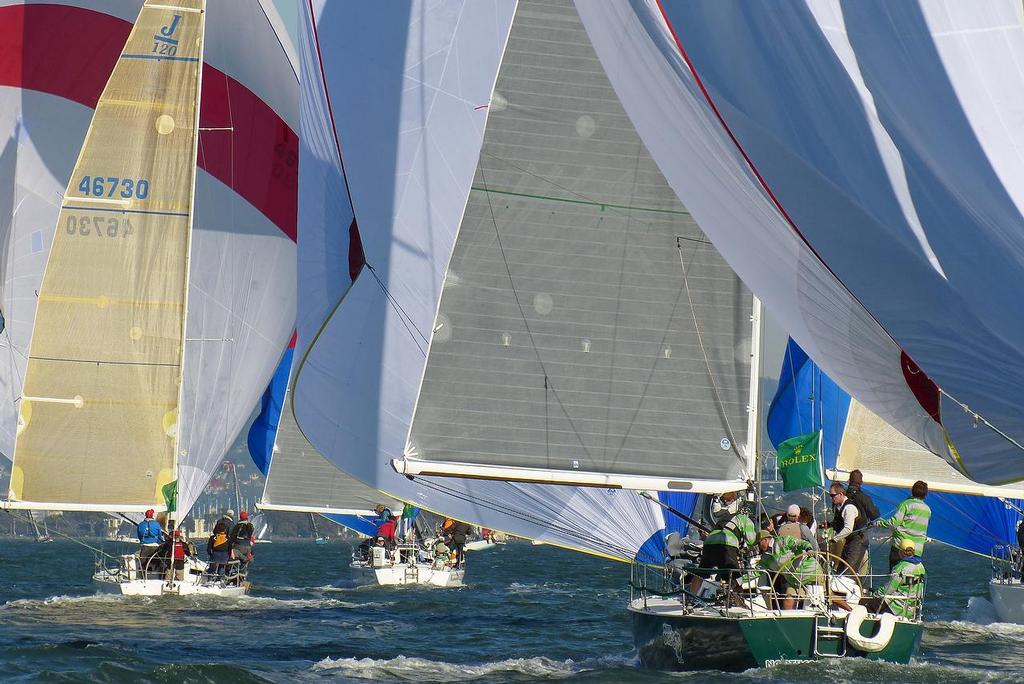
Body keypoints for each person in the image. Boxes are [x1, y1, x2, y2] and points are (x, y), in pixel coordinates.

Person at [689, 506, 756, 594]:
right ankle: (738, 603)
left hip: (709, 542)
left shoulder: (727, 517)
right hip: (726, 543)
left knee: (701, 572)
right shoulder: (746, 520)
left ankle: (690, 596)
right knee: (733, 576)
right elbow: (751, 540)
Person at [756, 530, 823, 609]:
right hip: (795, 582)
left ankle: (841, 614)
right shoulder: (765, 558)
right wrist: (739, 582)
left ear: (765, 540)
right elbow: (756, 572)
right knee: (788, 601)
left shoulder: (783, 541)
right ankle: (789, 621)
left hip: (812, 573)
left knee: (830, 597)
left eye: (759, 543)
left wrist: (809, 549)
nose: (758, 547)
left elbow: (801, 543)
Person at [874, 480, 931, 572]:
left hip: (901, 548)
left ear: (912, 491)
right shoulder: (927, 510)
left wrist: (878, 523)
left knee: (895, 576)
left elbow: (893, 523)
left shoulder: (906, 504)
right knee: (909, 579)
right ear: (926, 494)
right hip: (917, 550)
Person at [860, 539, 925, 618]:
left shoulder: (900, 567)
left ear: (900, 551)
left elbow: (890, 588)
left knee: (864, 603)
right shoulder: (921, 566)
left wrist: (875, 594)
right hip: (912, 608)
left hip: (896, 606)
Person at [829, 482, 867, 576]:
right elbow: (840, 522)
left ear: (841, 494)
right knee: (840, 571)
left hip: (858, 541)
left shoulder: (849, 508)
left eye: (833, 495)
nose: (831, 497)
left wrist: (834, 539)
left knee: (848, 571)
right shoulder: (840, 507)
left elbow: (848, 529)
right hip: (849, 541)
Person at [136, 509, 164, 574]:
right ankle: (157, 574)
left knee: (143, 563)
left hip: (144, 546)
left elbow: (139, 536)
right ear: (152, 515)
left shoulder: (141, 524)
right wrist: (160, 542)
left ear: (145, 515)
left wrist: (143, 541)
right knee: (156, 562)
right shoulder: (156, 524)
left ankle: (143, 575)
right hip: (155, 546)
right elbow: (159, 535)